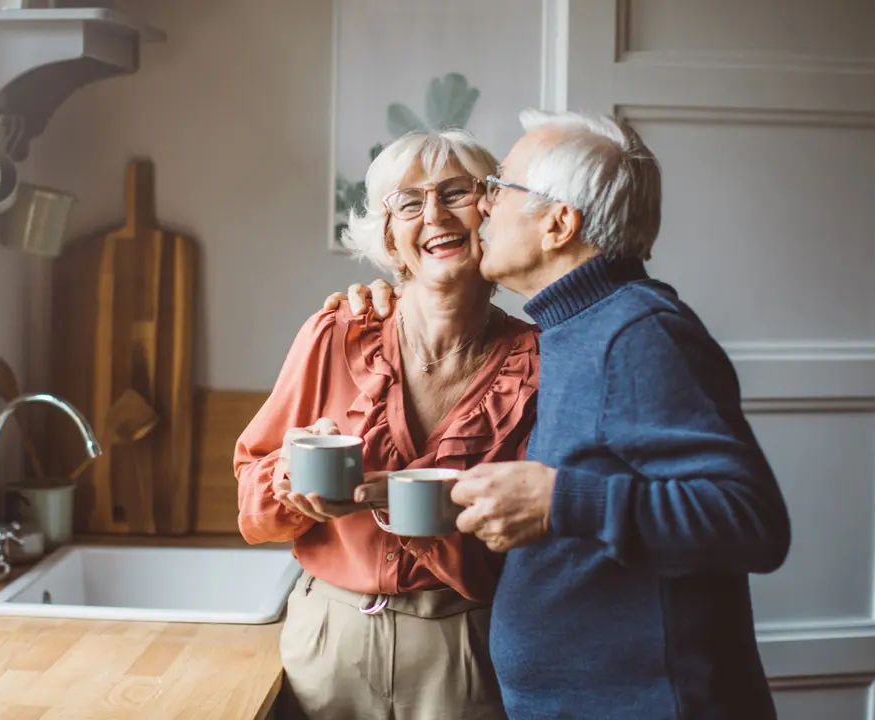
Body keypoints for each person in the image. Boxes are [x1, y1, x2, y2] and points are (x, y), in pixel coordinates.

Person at [325, 108, 792, 719]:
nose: (483, 207)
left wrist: (558, 503)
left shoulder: (639, 333)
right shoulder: (573, 327)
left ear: (558, 223)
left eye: (499, 188)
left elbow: (752, 521)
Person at [234, 127, 539, 720]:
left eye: (455, 193)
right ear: (391, 238)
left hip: (465, 645)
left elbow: (538, 542)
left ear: (491, 211)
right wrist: (288, 480)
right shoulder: (336, 332)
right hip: (329, 639)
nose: (433, 214)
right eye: (408, 202)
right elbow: (250, 503)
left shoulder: (539, 362)